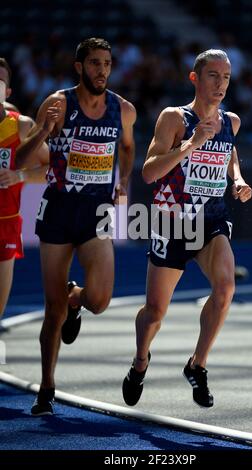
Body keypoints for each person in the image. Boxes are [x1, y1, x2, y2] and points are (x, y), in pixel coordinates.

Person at [122, 49, 252, 408]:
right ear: (195, 78)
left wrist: (237, 179)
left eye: (226, 77)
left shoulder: (232, 121)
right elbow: (149, 172)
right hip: (171, 222)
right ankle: (140, 361)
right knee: (154, 313)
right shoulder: (174, 118)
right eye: (213, 75)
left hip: (211, 219)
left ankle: (197, 365)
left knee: (225, 288)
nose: (220, 84)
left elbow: (229, 154)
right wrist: (191, 143)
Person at [15, 38, 136, 416]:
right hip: (58, 210)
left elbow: (129, 147)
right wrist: (42, 131)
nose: (102, 70)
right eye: (95, 63)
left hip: (96, 213)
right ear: (79, 67)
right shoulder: (57, 104)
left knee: (99, 300)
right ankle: (47, 389)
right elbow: (21, 158)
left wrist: (124, 179)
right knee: (52, 312)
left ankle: (76, 298)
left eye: (107, 64)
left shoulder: (123, 110)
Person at [0, 58, 49, 329]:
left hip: (5, 223)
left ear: (7, 92)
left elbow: (53, 167)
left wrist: (19, 175)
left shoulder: (20, 126)